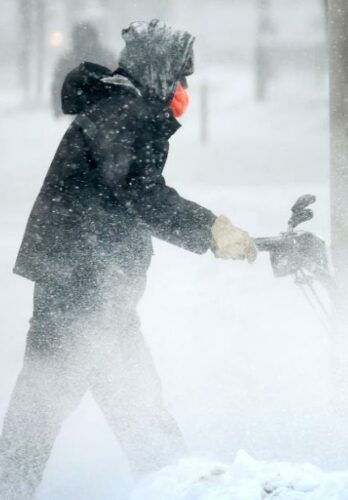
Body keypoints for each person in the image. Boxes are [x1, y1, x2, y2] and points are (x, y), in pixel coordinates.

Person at [0, 20, 258, 499]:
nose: (184, 89)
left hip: (87, 278)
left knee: (112, 397)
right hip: (80, 280)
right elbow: (141, 192)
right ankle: (174, 482)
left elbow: (126, 194)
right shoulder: (125, 112)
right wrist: (211, 230)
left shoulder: (122, 108)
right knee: (55, 400)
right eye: (181, 77)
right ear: (159, 73)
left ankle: (172, 480)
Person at [51, 21, 116, 117]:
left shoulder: (104, 56)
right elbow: (58, 83)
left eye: (85, 37)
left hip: (101, 108)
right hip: (90, 108)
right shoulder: (69, 59)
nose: (83, 41)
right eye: (80, 38)